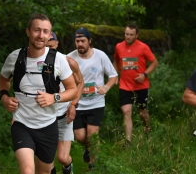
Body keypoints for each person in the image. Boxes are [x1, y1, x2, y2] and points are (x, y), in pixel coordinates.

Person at [0, 13, 77, 174]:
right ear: (28, 32)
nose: (41, 35)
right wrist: (4, 97)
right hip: (21, 124)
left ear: (49, 35)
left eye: (45, 32)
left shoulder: (59, 60)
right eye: (37, 30)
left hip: (48, 126)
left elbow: (73, 90)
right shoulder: (15, 57)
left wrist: (53, 98)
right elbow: (3, 80)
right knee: (27, 170)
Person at [67, 27, 118, 170]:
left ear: (90, 41)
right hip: (78, 103)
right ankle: (88, 149)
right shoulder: (69, 58)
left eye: (83, 41)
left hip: (96, 103)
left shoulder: (100, 56)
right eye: (77, 41)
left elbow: (113, 76)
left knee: (92, 135)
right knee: (80, 137)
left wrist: (106, 87)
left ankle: (93, 167)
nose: (80, 44)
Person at [113, 24, 158, 148]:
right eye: (126, 34)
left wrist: (145, 74)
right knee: (126, 111)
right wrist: (115, 74)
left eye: (131, 35)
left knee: (142, 112)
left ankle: (148, 130)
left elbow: (154, 62)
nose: (128, 37)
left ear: (136, 35)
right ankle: (128, 141)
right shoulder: (119, 47)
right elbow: (116, 60)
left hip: (141, 86)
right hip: (125, 86)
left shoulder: (143, 47)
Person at [46, 32, 84, 174]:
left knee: (62, 158)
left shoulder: (68, 61)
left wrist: (73, 104)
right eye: (46, 43)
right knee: (47, 159)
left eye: (52, 43)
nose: (49, 46)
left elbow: (80, 82)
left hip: (63, 116)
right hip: (45, 117)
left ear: (57, 43)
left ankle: (68, 167)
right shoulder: (35, 63)